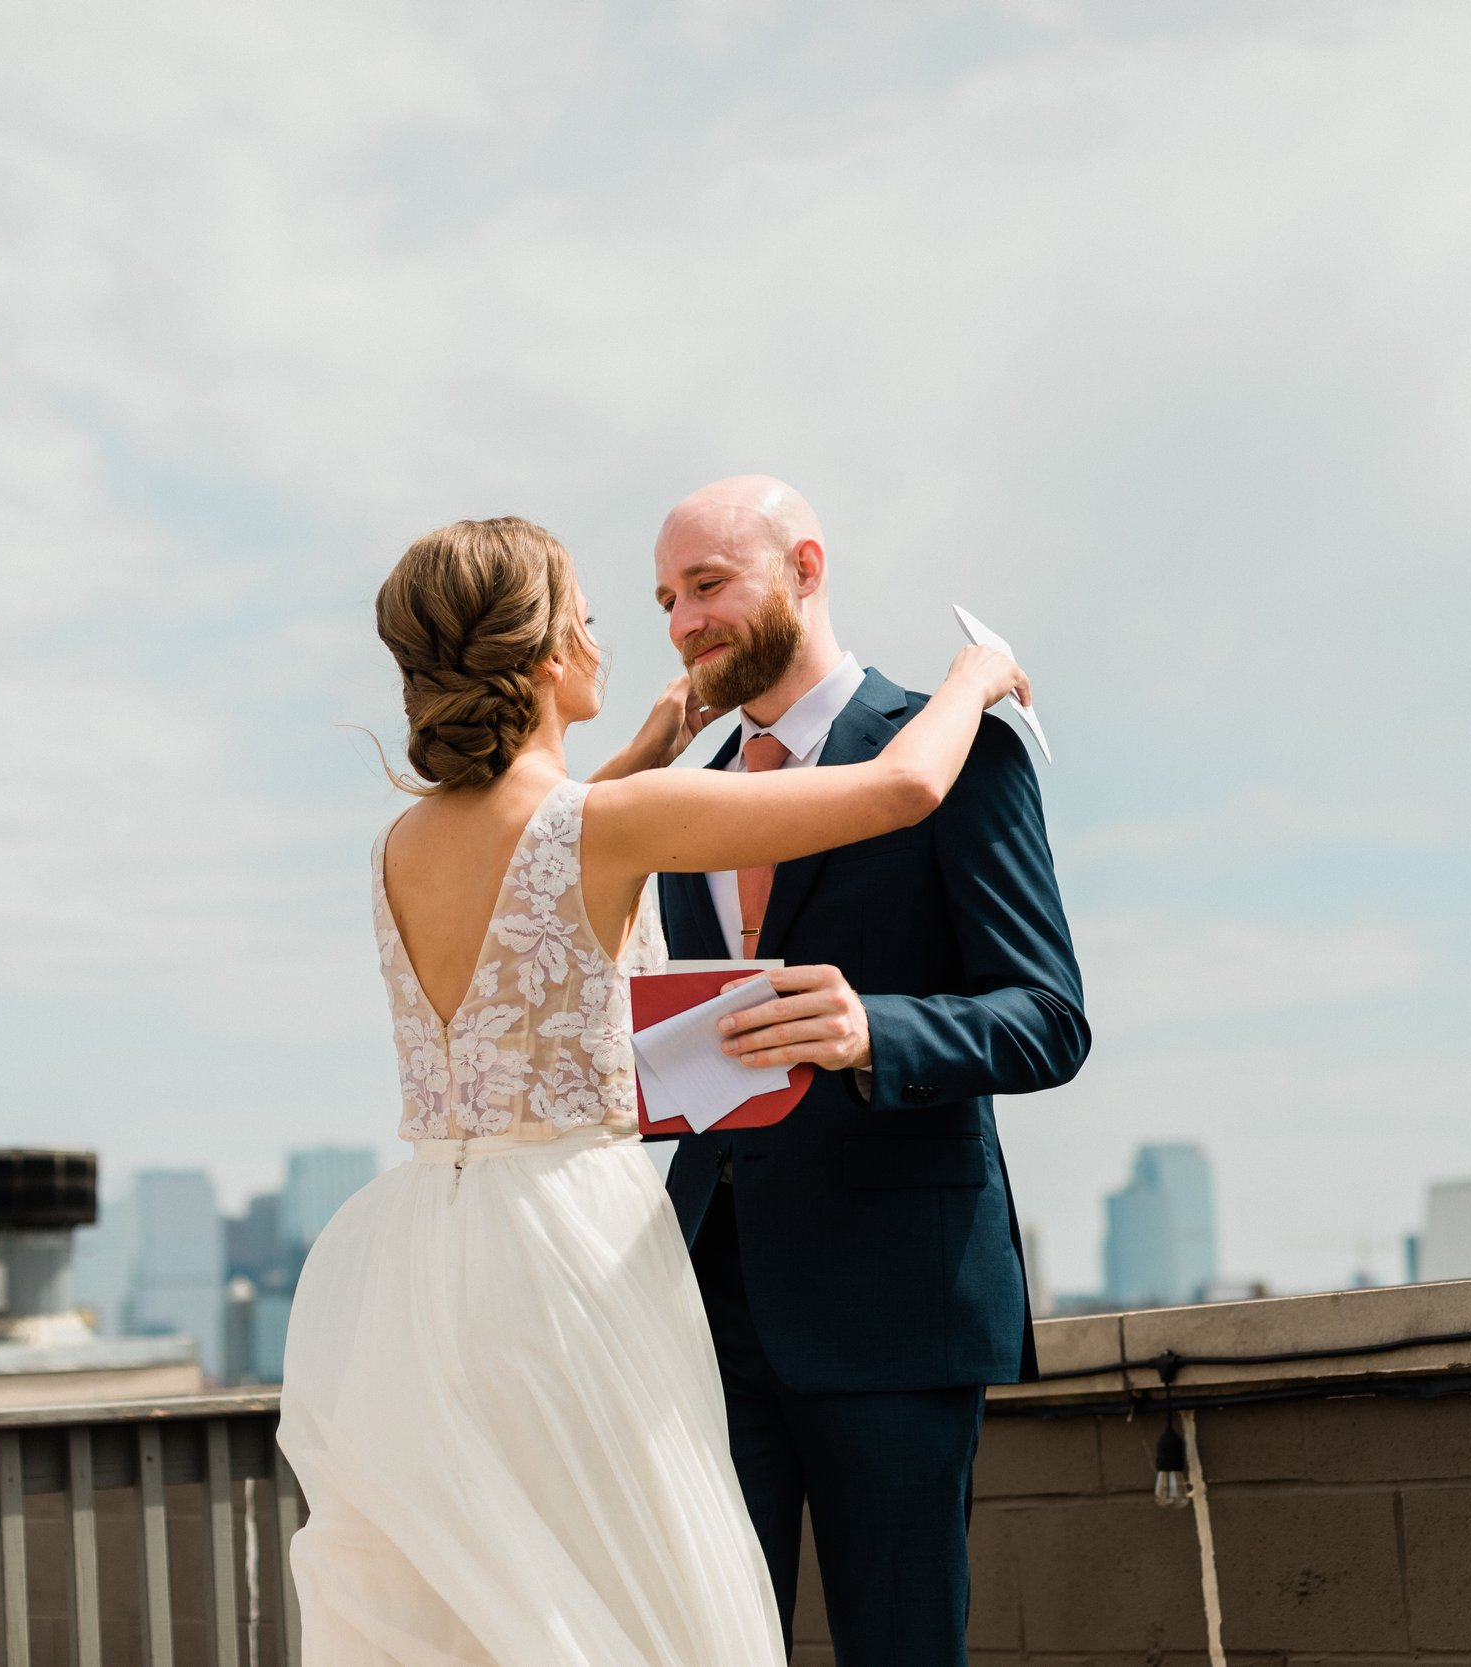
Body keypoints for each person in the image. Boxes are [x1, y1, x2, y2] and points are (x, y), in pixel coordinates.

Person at [276, 515, 1030, 1667]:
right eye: (583, 613)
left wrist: (642, 748)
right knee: (636, 1586)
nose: (606, 634)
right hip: (571, 1243)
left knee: (509, 1586)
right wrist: (976, 676)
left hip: (429, 1251)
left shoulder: (401, 844)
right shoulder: (609, 823)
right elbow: (902, 788)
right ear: (542, 657)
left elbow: (538, 852)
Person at [650, 476, 1089, 1666]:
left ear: (804, 566)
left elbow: (1049, 1017)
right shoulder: (680, 800)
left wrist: (873, 1029)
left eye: (707, 585)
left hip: (895, 1306)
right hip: (704, 1307)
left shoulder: (955, 753)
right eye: (665, 601)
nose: (684, 622)